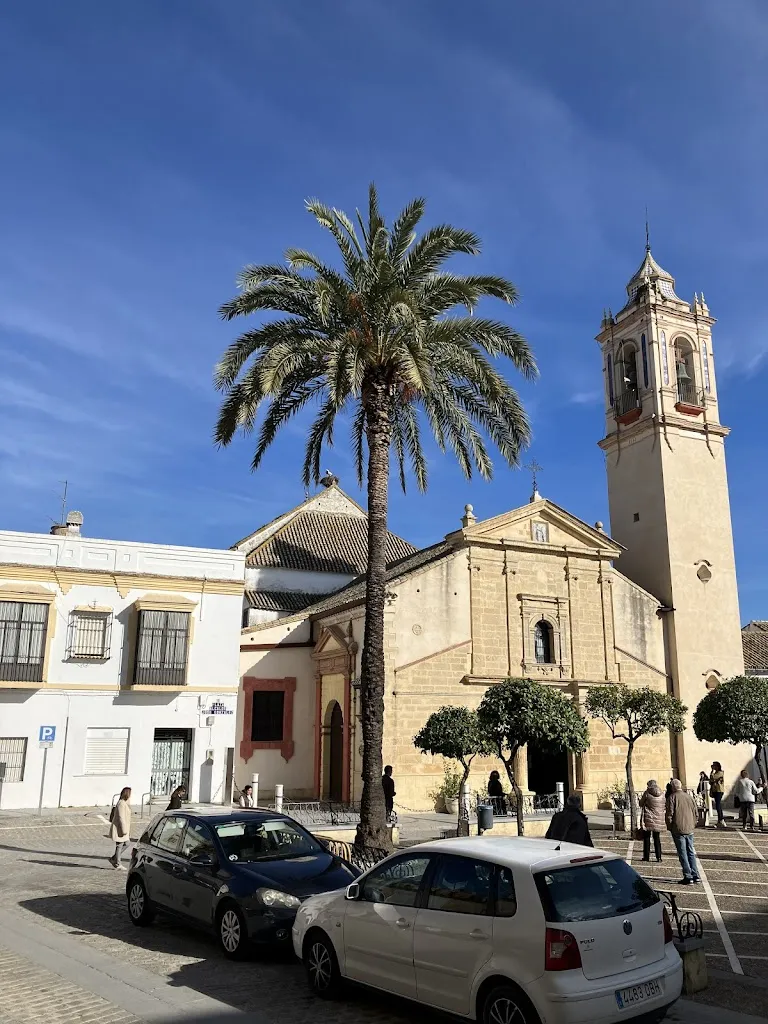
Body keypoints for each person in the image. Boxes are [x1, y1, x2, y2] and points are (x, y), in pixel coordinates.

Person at [666, 779, 700, 885]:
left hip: (678, 828)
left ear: (672, 787)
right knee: (690, 851)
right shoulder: (689, 796)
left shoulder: (672, 797)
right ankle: (695, 875)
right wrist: (693, 824)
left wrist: (670, 826)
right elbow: (696, 812)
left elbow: (669, 815)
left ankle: (688, 876)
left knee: (682, 853)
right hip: (689, 828)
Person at [639, 780, 665, 863]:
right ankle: (659, 857)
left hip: (649, 818)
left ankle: (646, 856)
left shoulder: (647, 793)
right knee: (657, 838)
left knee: (647, 838)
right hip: (658, 819)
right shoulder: (662, 794)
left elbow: (641, 803)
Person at [108, 787, 132, 870]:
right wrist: (124, 830)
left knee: (127, 843)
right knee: (120, 845)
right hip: (120, 828)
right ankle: (118, 863)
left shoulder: (124, 802)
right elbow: (121, 817)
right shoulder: (121, 803)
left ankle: (114, 858)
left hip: (123, 828)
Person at [710, 762, 726, 827]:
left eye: (714, 766)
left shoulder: (720, 773)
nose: (713, 767)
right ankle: (720, 820)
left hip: (719, 790)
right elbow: (710, 781)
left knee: (718, 805)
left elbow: (713, 778)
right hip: (715, 790)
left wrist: (712, 772)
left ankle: (721, 819)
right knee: (717, 805)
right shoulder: (715, 773)